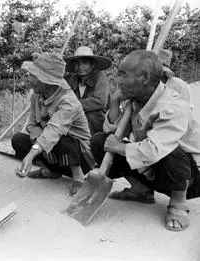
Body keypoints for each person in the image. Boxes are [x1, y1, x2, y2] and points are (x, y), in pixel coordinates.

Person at [90, 50, 200, 232]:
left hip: (189, 177)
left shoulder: (173, 105)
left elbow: (154, 150)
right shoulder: (135, 100)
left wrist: (118, 147)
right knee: (99, 141)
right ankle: (141, 190)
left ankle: (178, 203)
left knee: (171, 151)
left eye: (123, 74)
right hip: (153, 167)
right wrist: (115, 103)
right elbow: (111, 132)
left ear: (145, 77)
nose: (119, 80)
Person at [11, 53, 95, 195]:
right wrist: (34, 131)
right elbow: (31, 123)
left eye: (35, 76)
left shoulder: (69, 102)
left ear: (49, 81)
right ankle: (51, 170)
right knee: (18, 139)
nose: (31, 79)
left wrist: (32, 154)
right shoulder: (36, 96)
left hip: (78, 157)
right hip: (54, 152)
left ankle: (78, 177)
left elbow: (54, 130)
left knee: (63, 138)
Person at [64, 46, 112, 135]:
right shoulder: (71, 79)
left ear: (92, 64)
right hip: (76, 116)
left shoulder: (100, 76)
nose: (80, 67)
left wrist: (74, 105)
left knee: (89, 115)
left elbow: (100, 101)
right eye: (77, 64)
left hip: (98, 119)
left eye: (84, 63)